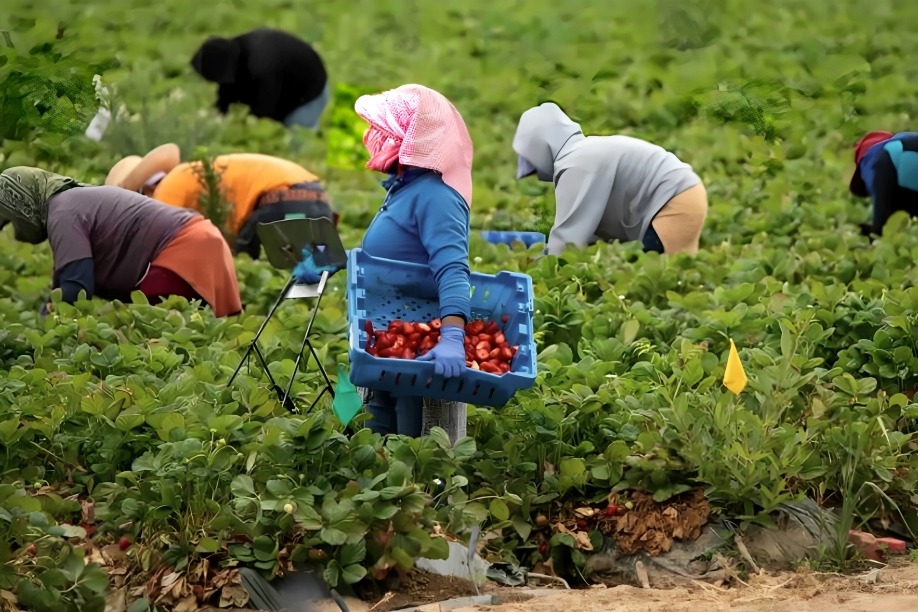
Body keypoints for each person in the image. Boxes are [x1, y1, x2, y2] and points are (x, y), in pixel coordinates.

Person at [352, 83, 474, 439]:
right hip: (386, 343)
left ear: (409, 139)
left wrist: (452, 336)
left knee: (416, 456)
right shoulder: (404, 188)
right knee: (376, 452)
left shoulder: (437, 198)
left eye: (385, 131)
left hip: (420, 351)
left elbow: (452, 269)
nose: (375, 136)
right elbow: (397, 256)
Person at [0, 167, 242, 317]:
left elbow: (76, 284)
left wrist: (43, 326)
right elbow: (65, 278)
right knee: (183, 330)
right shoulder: (71, 201)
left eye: (11, 218)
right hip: (198, 241)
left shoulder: (62, 212)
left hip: (183, 250)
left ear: (23, 204)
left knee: (142, 328)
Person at [512, 102, 708, 256]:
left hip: (672, 202)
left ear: (541, 148)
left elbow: (569, 237)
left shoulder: (577, 163)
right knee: (675, 274)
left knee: (650, 274)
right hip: (685, 194)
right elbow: (589, 230)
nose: (537, 174)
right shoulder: (584, 153)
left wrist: (542, 271)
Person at [104, 144, 338, 259]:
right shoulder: (190, 176)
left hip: (280, 201)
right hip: (315, 197)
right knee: (310, 272)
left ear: (143, 191)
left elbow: (158, 238)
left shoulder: (169, 186)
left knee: (246, 264)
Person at [190, 28, 330, 131]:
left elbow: (265, 111)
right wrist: (220, 112)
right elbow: (227, 89)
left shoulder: (260, 66)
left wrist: (243, 129)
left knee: (298, 153)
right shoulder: (234, 52)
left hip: (308, 95)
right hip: (287, 83)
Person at [848, 130, 918, 237]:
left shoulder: (870, 158)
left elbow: (884, 195)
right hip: (908, 151)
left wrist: (876, 228)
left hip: (897, 153)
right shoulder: (901, 138)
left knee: (881, 228)